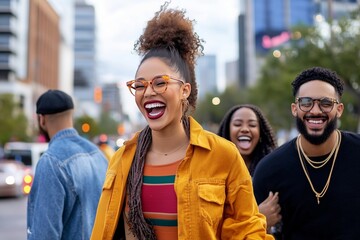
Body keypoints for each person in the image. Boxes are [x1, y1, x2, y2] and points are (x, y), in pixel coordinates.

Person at [91, 2, 273, 240]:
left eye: (160, 83)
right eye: (140, 85)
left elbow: (248, 230)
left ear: (185, 90)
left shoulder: (223, 155)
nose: (148, 93)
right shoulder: (122, 159)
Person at [253, 66, 360, 239]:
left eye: (326, 103)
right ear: (295, 109)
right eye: (306, 103)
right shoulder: (270, 169)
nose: (315, 111)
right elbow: (251, 233)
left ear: (339, 109)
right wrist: (259, 221)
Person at [27, 89, 108, 240]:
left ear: (41, 119)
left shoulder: (51, 162)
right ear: (71, 115)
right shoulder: (98, 154)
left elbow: (44, 235)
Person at [217, 104, 282, 236]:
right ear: (227, 131)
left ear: (261, 132)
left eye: (252, 125)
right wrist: (259, 218)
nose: (245, 129)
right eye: (237, 124)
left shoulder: (273, 170)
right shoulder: (214, 172)